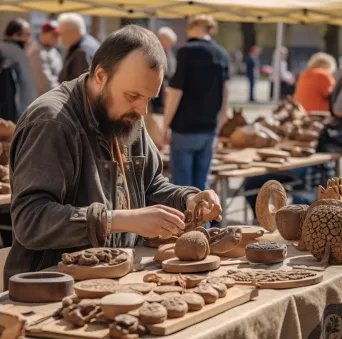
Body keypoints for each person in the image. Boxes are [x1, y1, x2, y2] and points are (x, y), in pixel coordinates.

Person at [4, 25, 222, 289]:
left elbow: (151, 186)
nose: (142, 110)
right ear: (100, 76)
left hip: (114, 279)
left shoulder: (128, 115)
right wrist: (117, 220)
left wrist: (187, 199)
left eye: (149, 98)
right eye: (133, 96)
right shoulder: (52, 122)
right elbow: (31, 220)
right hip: (50, 286)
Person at [163, 15, 230, 190]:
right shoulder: (222, 54)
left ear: (191, 27)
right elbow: (225, 91)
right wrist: (222, 118)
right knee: (202, 185)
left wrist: (165, 124)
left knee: (182, 188)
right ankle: (203, 218)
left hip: (185, 128)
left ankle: (185, 218)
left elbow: (176, 91)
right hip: (209, 127)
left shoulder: (186, 51)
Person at [0, 18, 36, 121]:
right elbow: (25, 88)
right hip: (18, 115)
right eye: (28, 35)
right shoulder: (16, 53)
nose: (30, 39)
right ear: (16, 35)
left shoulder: (6, 50)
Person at [57, 13, 99, 82]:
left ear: (72, 31)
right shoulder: (86, 44)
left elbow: (84, 86)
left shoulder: (83, 51)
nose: (60, 38)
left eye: (61, 33)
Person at [28, 20, 63, 96]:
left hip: (54, 97)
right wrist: (63, 93)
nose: (57, 38)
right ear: (43, 34)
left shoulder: (53, 50)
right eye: (54, 34)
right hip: (44, 99)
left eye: (58, 35)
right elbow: (45, 84)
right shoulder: (37, 52)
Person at [150, 27, 177, 115]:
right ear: (162, 39)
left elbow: (171, 70)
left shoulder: (169, 52)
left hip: (164, 89)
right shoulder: (152, 51)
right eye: (169, 42)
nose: (170, 45)